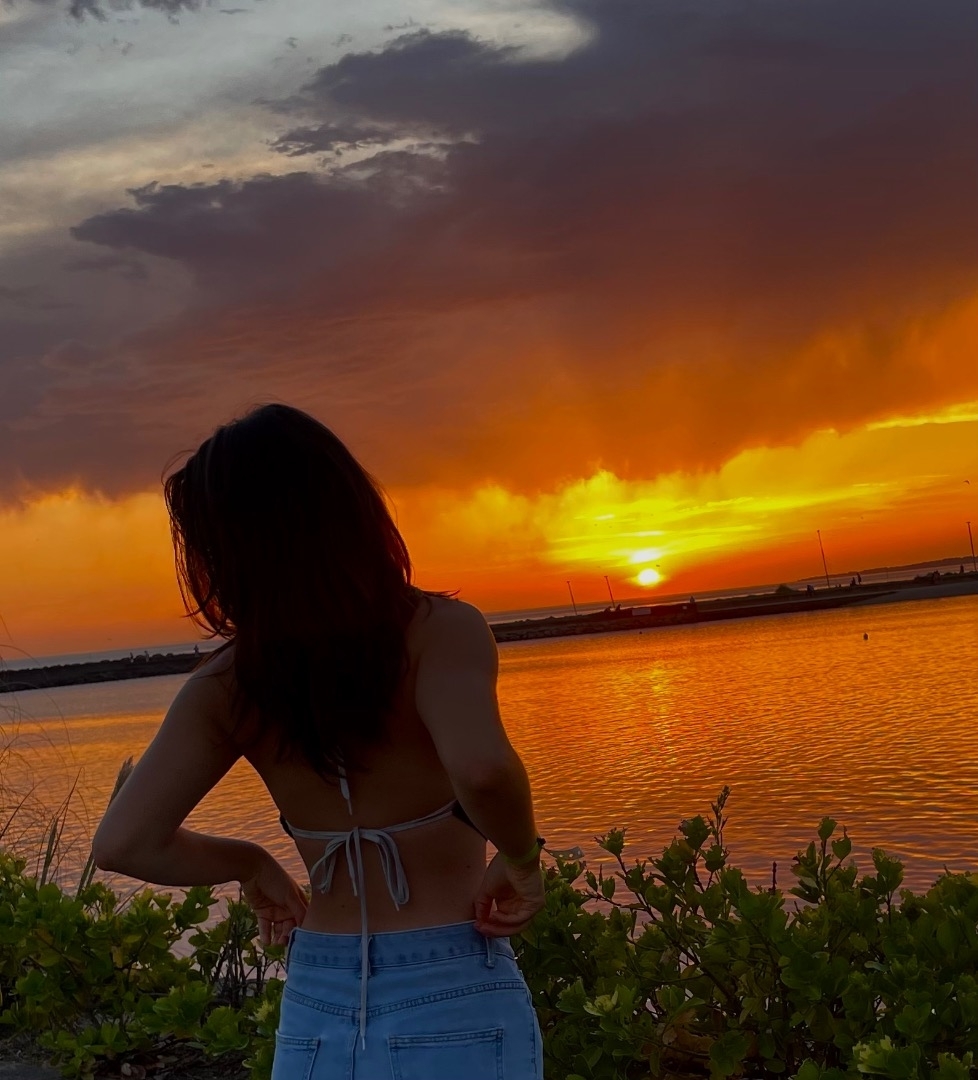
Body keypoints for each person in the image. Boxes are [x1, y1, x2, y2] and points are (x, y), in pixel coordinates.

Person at [93, 403, 546, 1079]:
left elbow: (124, 842)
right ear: (351, 508)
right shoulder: (439, 631)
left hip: (317, 997)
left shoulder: (226, 684)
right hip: (450, 980)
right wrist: (522, 858)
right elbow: (480, 770)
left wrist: (250, 863)